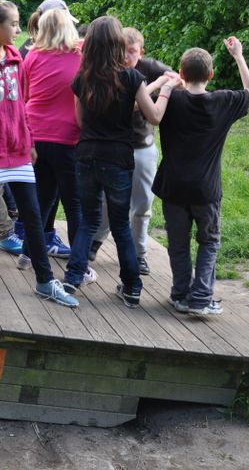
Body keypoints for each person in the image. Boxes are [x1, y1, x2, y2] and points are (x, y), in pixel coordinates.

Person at [0, 0, 79, 308]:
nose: (19, 29)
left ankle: (45, 281)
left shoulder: (14, 57)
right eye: (14, 24)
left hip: (18, 149)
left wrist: (30, 140)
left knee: (33, 214)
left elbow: (22, 102)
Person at [63, 15, 181, 309]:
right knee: (120, 226)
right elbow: (154, 116)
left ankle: (73, 278)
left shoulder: (81, 79)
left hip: (87, 157)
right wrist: (165, 90)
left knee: (89, 221)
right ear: (117, 44)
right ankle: (131, 286)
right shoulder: (131, 78)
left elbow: (79, 122)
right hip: (118, 159)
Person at [153, 37, 249, 316]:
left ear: (181, 73)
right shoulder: (223, 101)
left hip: (173, 187)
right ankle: (200, 298)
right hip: (205, 189)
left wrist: (167, 85)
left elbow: (147, 105)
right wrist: (238, 56)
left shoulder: (170, 100)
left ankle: (180, 295)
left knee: (178, 243)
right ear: (210, 75)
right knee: (208, 241)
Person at [90, 27, 172, 274]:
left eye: (132, 51)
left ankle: (140, 253)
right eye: (122, 50)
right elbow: (131, 105)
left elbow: (178, 78)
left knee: (142, 204)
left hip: (141, 145)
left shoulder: (151, 68)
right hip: (112, 146)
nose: (126, 57)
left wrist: (173, 84)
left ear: (141, 52)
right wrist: (157, 86)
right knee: (107, 200)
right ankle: (96, 240)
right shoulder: (107, 70)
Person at [19, 7, 83, 270]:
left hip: (36, 136)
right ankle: (79, 266)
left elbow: (25, 96)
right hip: (67, 137)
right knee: (74, 204)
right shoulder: (79, 55)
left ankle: (27, 254)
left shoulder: (32, 55)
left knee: (42, 198)